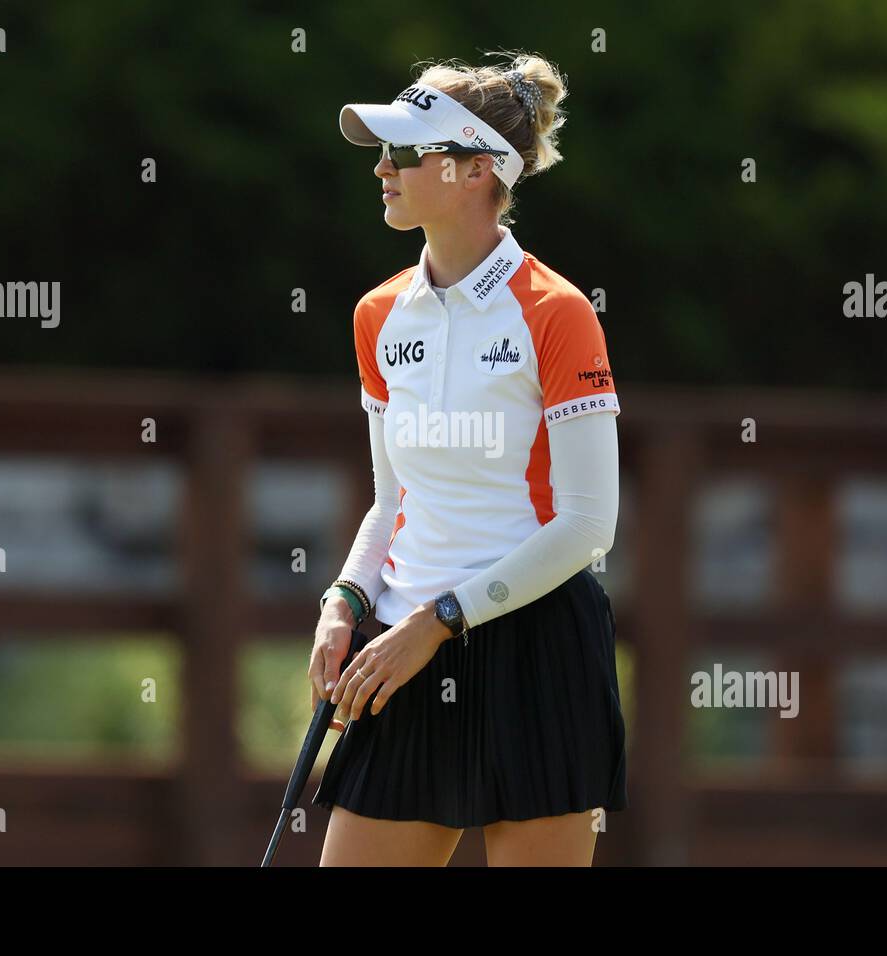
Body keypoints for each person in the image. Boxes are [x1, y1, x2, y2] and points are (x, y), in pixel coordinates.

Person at [309, 51, 628, 866]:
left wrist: (439, 620)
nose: (382, 167)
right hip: (400, 655)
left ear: (474, 168)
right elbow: (392, 500)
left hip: (533, 651)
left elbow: (590, 525)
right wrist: (346, 596)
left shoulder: (559, 313)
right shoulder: (377, 314)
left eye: (405, 152)